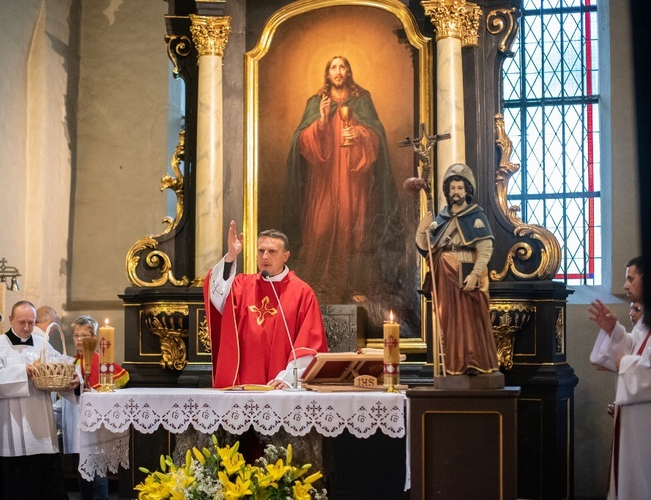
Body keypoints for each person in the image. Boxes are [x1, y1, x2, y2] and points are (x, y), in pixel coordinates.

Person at [286, 55, 402, 305]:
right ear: (327, 74)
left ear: (348, 72)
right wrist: (321, 121)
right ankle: (316, 284)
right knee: (320, 228)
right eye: (333, 68)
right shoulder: (317, 102)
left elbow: (376, 136)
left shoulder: (362, 100)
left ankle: (353, 285)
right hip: (324, 181)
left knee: (355, 228)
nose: (338, 71)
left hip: (353, 181)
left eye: (342, 67)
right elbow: (302, 143)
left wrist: (359, 133)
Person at [204, 220, 328, 389]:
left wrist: (289, 378)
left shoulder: (301, 292)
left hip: (280, 385)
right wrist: (231, 257)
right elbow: (217, 297)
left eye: (272, 251)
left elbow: (309, 342)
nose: (265, 256)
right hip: (244, 381)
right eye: (261, 251)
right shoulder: (242, 285)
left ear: (286, 256)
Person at [0, 300, 79, 500]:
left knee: (48, 486)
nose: (27, 328)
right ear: (11, 320)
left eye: (31, 322)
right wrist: (22, 372)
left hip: (41, 427)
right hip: (10, 428)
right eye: (22, 322)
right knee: (16, 488)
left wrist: (74, 380)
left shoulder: (41, 341)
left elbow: (61, 364)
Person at [415, 163, 500, 376]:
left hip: (468, 273)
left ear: (467, 190)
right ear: (447, 191)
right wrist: (421, 231)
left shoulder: (476, 216)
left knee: (472, 321)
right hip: (445, 277)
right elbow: (428, 248)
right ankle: (455, 365)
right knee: (450, 322)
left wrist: (474, 273)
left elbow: (485, 248)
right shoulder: (441, 219)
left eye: (460, 188)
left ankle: (475, 362)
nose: (456, 192)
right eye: (452, 188)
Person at [589, 256, 650, 499]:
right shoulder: (645, 321)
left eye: (630, 278)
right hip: (635, 419)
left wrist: (623, 364)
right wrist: (613, 330)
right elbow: (635, 347)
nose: (625, 285)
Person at [54, 315, 129, 500]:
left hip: (96, 424)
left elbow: (115, 385)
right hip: (76, 422)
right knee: (82, 470)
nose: (79, 340)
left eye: (84, 335)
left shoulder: (102, 362)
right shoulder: (70, 363)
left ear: (94, 338)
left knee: (97, 470)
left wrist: (94, 390)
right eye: (76, 335)